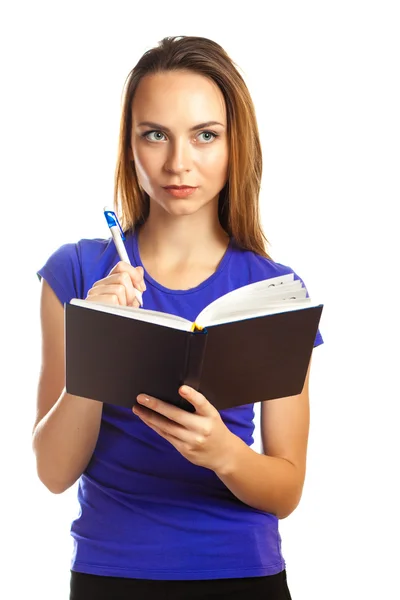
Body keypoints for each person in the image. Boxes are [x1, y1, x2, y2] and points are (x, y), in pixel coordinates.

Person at [33, 35, 323, 600]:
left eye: (205, 135)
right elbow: (52, 472)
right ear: (130, 144)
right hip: (110, 575)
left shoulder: (275, 288)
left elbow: (287, 490)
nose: (178, 163)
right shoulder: (73, 272)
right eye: (155, 135)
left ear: (235, 145)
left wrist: (224, 453)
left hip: (242, 575)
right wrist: (99, 335)